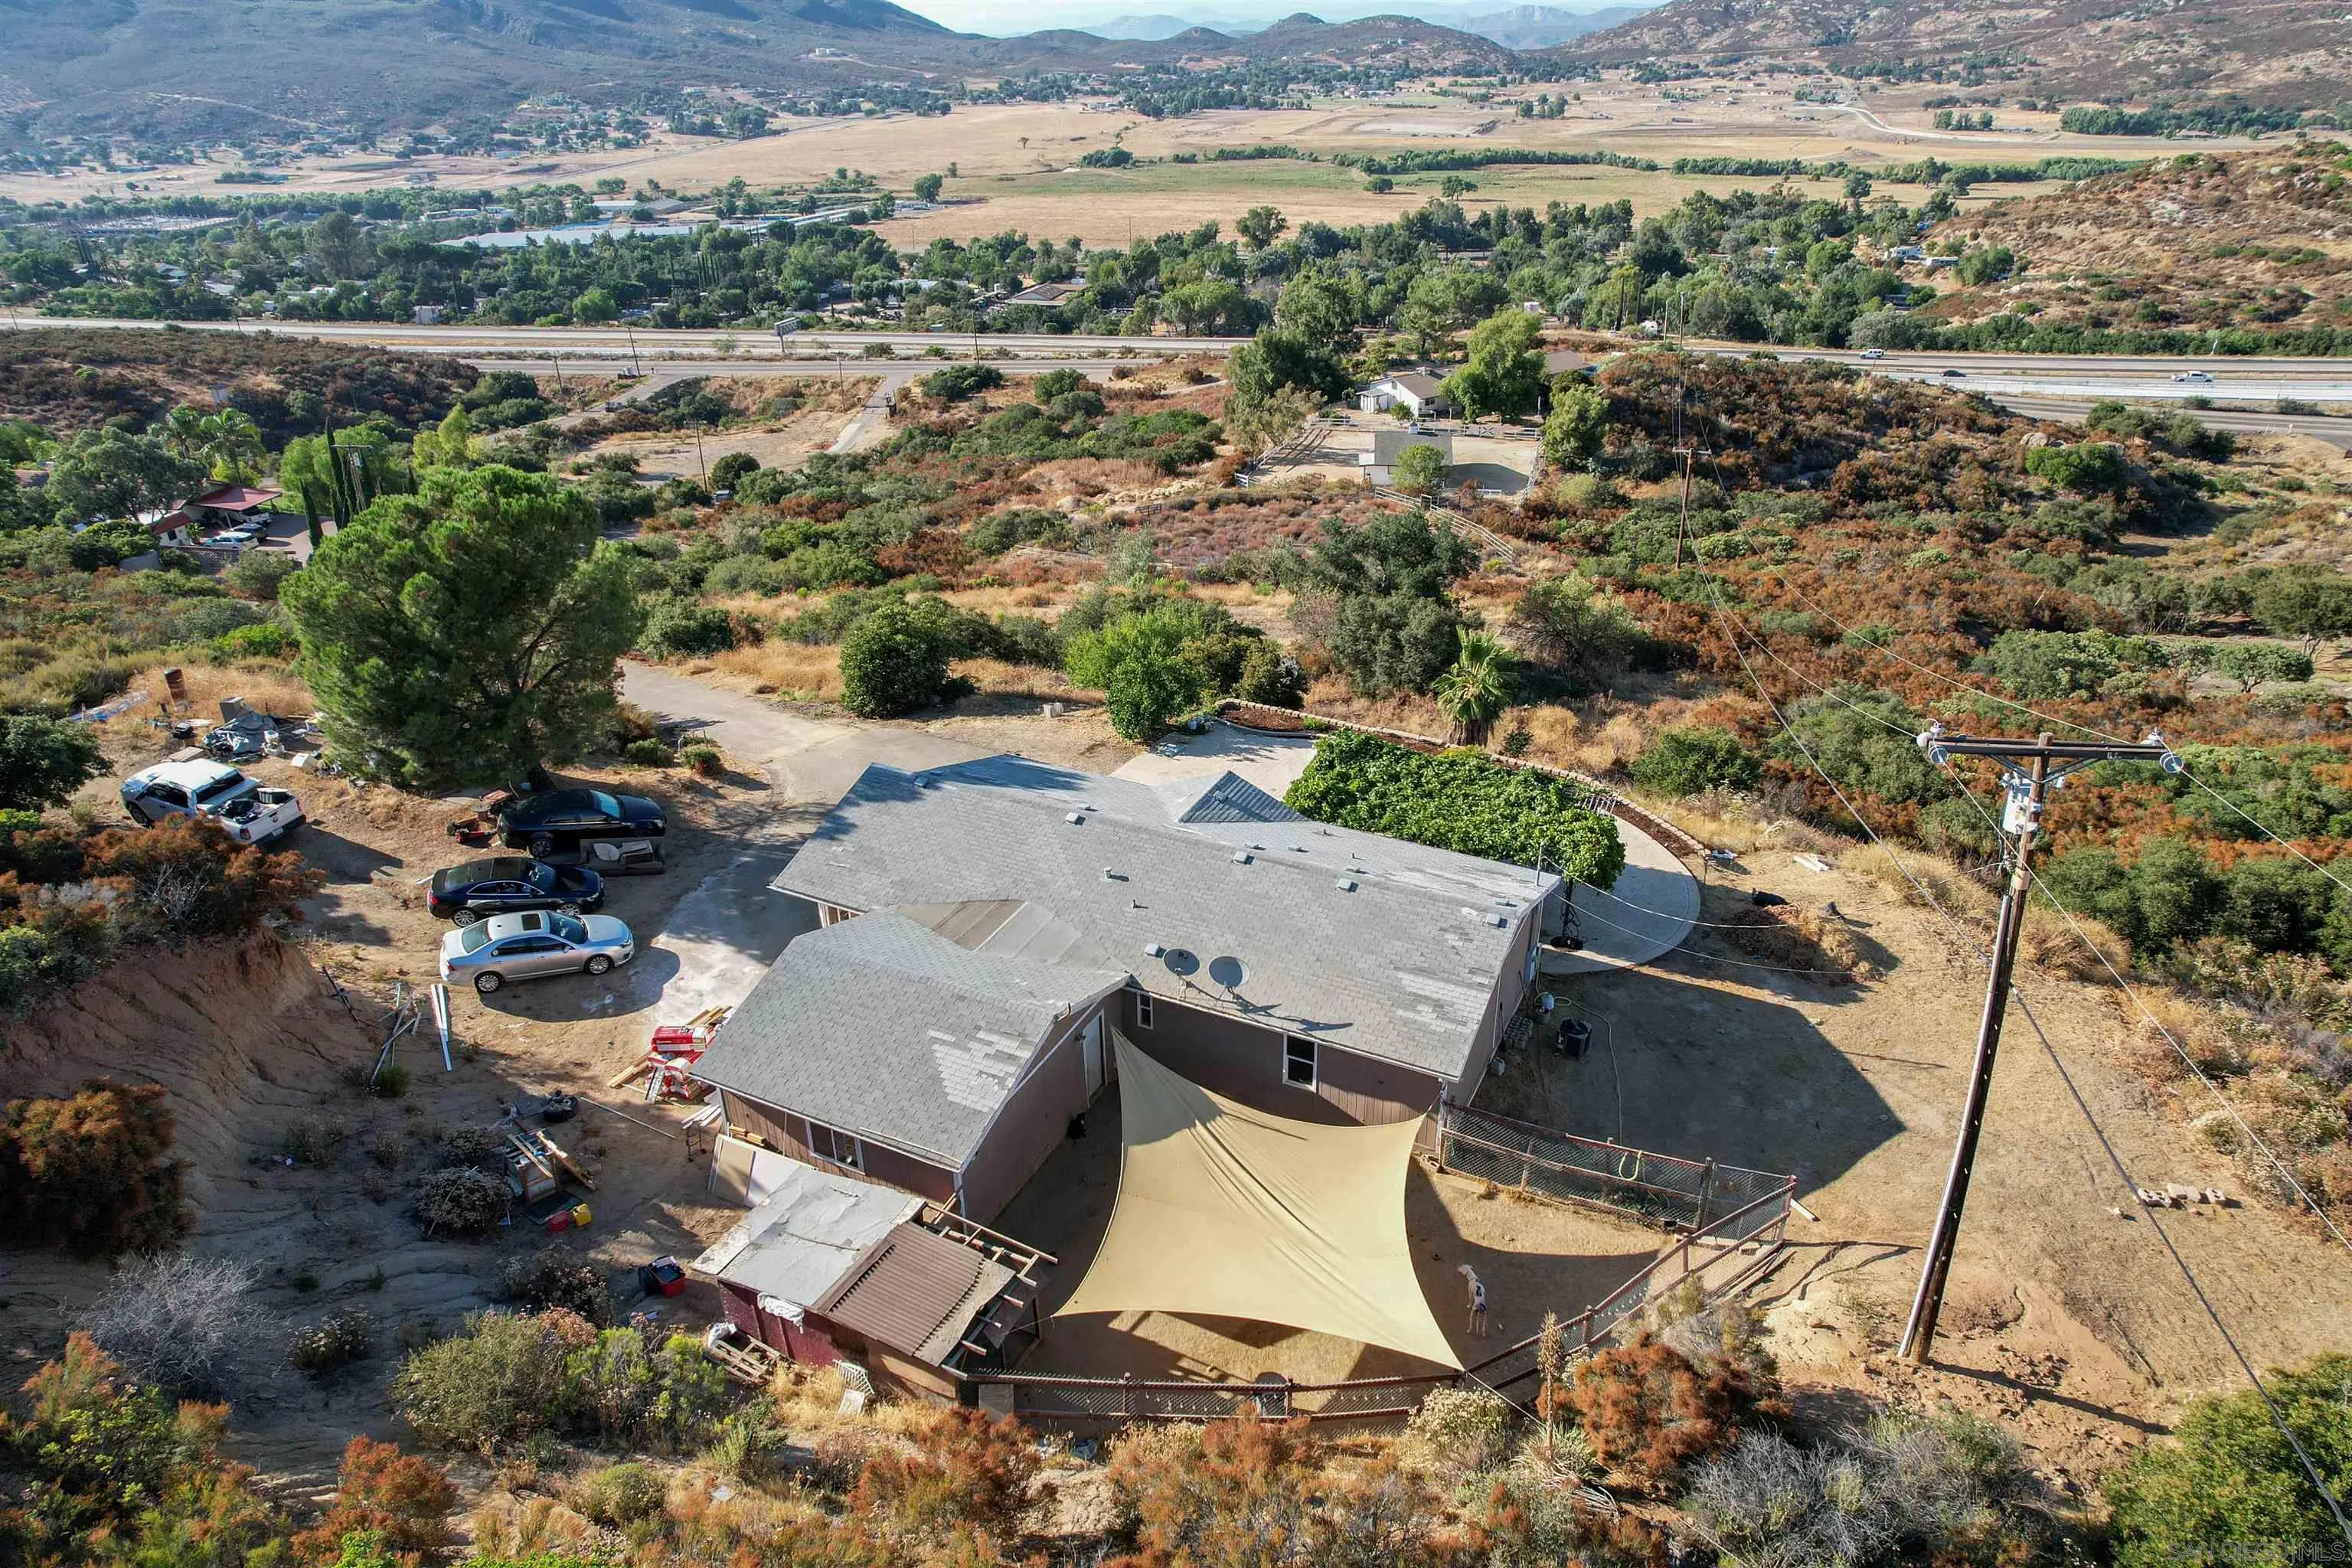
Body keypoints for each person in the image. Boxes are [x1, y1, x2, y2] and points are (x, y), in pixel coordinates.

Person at [1458, 1263, 1488, 1338]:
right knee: (1483, 1317)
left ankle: (1470, 1329)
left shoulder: (1477, 1304)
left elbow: (1473, 1315)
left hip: (1477, 1297)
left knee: (1472, 1316)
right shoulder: (1482, 1302)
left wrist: (1475, 1308)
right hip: (1479, 1289)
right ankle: (1482, 1332)